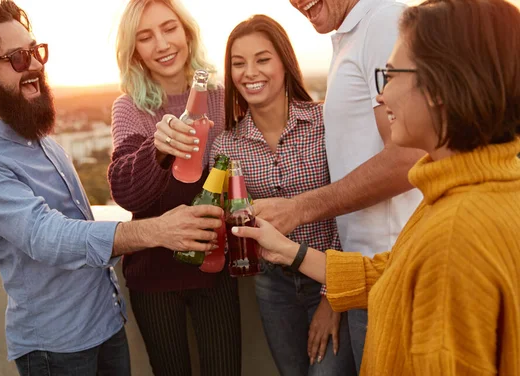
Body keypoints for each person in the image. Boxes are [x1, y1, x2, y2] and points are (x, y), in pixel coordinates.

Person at [231, 0, 520, 374]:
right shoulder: (454, 200)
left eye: (391, 75)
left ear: (440, 86)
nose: (380, 96)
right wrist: (289, 251)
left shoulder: (454, 235)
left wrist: (299, 209)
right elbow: (388, 274)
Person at [0, 1, 223, 375]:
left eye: (35, 51)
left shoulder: (42, 141)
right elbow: (48, 237)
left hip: (105, 325)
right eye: (16, 58)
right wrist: (157, 230)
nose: (36, 65)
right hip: (57, 347)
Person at [250, 0, 426, 371]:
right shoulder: (350, 34)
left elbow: (408, 155)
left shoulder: (382, 23)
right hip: (366, 280)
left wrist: (299, 207)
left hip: (392, 281)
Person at [211, 14, 356, 376]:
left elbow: (351, 211)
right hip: (273, 287)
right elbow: (228, 226)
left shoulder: (324, 122)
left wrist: (332, 300)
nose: (250, 72)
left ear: (285, 63)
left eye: (262, 59)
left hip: (330, 275)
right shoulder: (226, 147)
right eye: (238, 63)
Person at [107, 1, 241, 375]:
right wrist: (158, 149)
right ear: (134, 51)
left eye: (169, 29)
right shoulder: (129, 108)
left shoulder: (222, 96)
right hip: (154, 276)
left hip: (215, 266)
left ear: (187, 33)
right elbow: (125, 192)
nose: (162, 44)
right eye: (145, 37)